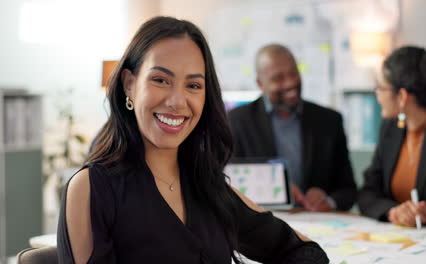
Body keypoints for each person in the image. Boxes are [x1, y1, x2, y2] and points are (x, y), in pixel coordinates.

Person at [57, 17, 329, 263]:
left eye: (193, 85)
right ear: (130, 84)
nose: (177, 102)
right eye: (161, 80)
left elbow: (305, 252)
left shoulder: (208, 186)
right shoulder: (92, 189)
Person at [228, 44, 356, 212]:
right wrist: (276, 192)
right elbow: (226, 185)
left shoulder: (330, 121)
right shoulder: (236, 121)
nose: (290, 83)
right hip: (258, 224)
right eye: (278, 78)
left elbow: (349, 189)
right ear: (261, 84)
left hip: (319, 225)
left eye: (293, 73)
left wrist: (329, 200)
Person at [358, 45, 426, 227]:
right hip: (401, 244)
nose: (377, 94)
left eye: (381, 88)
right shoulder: (390, 129)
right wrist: (393, 211)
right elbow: (367, 193)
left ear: (402, 96)